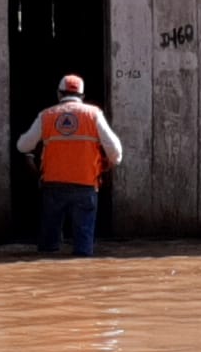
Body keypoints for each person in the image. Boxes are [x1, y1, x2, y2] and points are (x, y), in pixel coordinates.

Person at [16, 74, 123, 256]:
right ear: (82, 96)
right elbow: (115, 151)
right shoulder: (93, 115)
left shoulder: (46, 116)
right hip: (85, 185)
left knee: (48, 249)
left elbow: (23, 146)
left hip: (53, 186)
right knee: (83, 249)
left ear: (59, 94)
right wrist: (108, 164)